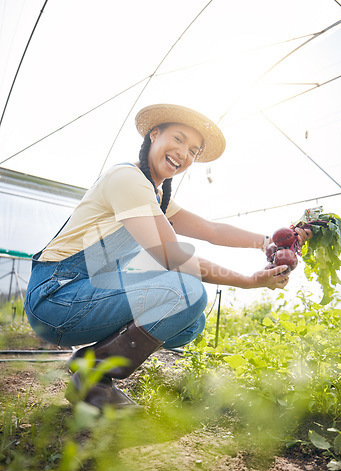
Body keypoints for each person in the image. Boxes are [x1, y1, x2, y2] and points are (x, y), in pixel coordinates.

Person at [24, 103, 311, 410]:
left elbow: (211, 230)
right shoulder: (127, 180)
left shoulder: (155, 195)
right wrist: (248, 280)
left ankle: (92, 363)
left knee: (190, 322)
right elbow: (173, 257)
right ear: (154, 134)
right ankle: (93, 376)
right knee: (186, 292)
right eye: (178, 139)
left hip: (86, 291)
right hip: (56, 297)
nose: (184, 153)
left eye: (194, 150)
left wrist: (271, 242)